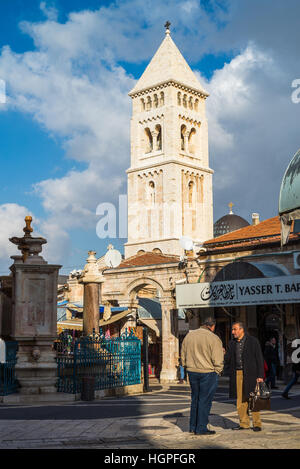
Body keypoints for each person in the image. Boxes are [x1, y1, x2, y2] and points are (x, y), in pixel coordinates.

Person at [181, 317, 224, 435]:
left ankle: (192, 426)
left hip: (192, 371)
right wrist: (218, 370)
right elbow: (218, 358)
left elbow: (183, 353)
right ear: (212, 326)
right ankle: (201, 428)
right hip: (207, 372)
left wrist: (186, 366)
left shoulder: (189, 336)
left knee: (195, 399)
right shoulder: (214, 338)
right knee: (204, 401)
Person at [224, 321, 265, 432]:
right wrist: (223, 353)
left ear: (242, 330)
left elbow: (259, 359)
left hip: (252, 374)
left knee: (253, 399)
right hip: (237, 374)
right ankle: (244, 423)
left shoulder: (253, 341)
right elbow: (227, 359)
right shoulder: (232, 343)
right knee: (240, 400)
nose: (233, 332)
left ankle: (257, 424)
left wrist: (260, 375)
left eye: (235, 329)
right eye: (232, 330)